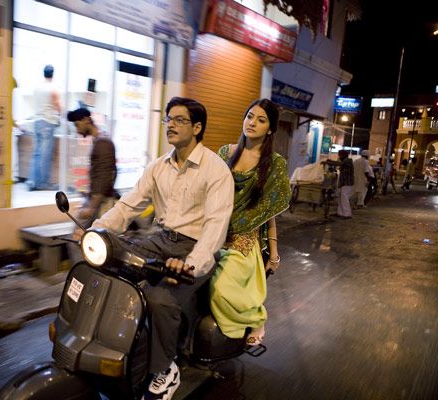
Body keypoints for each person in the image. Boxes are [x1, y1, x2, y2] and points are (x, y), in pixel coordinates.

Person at [91, 97, 234, 400]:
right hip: (160, 239)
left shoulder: (216, 170)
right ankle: (116, 344)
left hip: (194, 248)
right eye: (169, 118)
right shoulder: (158, 166)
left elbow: (215, 228)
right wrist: (96, 230)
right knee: (111, 265)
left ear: (197, 127)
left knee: (159, 299)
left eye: (179, 120)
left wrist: (191, 264)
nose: (171, 124)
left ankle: (166, 368)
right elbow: (129, 204)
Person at [209, 98, 291, 347]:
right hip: (212, 232)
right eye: (249, 116)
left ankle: (256, 317)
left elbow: (269, 212)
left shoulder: (275, 165)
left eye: (261, 120)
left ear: (271, 129)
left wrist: (274, 254)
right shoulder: (225, 153)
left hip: (242, 241)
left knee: (220, 288)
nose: (252, 122)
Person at [67, 108, 118, 258]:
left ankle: (80, 277)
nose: (77, 130)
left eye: (77, 125)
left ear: (86, 120)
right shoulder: (101, 141)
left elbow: (105, 176)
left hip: (99, 202)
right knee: (90, 242)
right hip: (97, 200)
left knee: (76, 241)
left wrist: (91, 206)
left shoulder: (102, 143)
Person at [28, 64, 62, 191]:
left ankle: (32, 182)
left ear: (44, 73)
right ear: (53, 74)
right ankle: (43, 183)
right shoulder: (53, 88)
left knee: (36, 154)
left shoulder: (37, 88)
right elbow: (59, 106)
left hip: (36, 122)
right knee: (45, 155)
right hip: (47, 123)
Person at [335, 149, 354, 218]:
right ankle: (340, 213)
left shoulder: (348, 160)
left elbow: (339, 164)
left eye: (340, 155)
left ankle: (347, 214)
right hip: (343, 183)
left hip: (347, 183)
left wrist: (329, 162)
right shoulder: (344, 161)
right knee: (341, 197)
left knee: (344, 198)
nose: (339, 157)